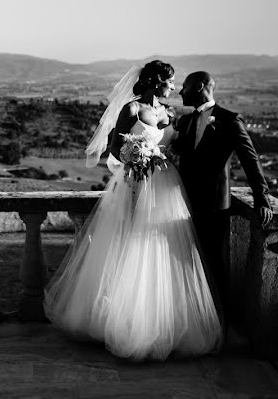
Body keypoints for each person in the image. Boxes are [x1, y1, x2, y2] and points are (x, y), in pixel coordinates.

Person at [44, 60, 222, 361]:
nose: (174, 88)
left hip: (165, 185)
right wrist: (136, 156)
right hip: (135, 183)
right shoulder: (130, 110)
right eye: (170, 82)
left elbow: (178, 147)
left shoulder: (169, 113)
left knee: (160, 247)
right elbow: (115, 149)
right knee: (127, 243)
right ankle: (120, 321)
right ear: (155, 82)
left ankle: (160, 322)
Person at [172, 71, 273, 328]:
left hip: (213, 205)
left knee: (214, 264)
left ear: (201, 86)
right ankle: (188, 320)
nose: (181, 92)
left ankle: (217, 323)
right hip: (180, 203)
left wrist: (262, 198)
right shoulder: (184, 122)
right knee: (182, 263)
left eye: (185, 87)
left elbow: (250, 160)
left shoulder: (229, 120)